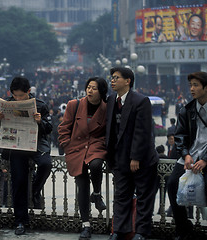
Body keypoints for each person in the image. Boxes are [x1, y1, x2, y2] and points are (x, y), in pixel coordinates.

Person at [106, 67, 159, 240]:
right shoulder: (112, 99)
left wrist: (135, 157)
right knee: (121, 195)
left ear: (128, 81)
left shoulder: (141, 101)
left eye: (116, 78)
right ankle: (119, 230)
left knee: (144, 196)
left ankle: (141, 232)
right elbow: (112, 131)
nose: (112, 81)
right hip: (120, 158)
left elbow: (142, 132)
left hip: (141, 159)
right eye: (111, 78)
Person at [0, 76, 52, 235]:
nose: (18, 99)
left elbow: (49, 129)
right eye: (15, 96)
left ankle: (34, 190)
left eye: (21, 96)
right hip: (16, 145)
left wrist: (40, 122)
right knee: (18, 181)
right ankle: (20, 220)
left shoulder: (40, 105)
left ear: (29, 92)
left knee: (45, 164)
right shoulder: (6, 104)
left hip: (36, 143)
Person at [58, 77, 108, 240]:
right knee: (82, 185)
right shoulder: (75, 104)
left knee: (96, 165)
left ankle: (98, 193)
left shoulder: (106, 108)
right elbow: (64, 127)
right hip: (77, 149)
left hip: (95, 146)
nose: (90, 90)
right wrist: (66, 144)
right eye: (88, 87)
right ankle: (85, 224)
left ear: (101, 91)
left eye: (94, 88)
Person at [167, 72, 207, 240]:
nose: (192, 89)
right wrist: (186, 154)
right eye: (190, 85)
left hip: (205, 158)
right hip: (189, 156)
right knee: (172, 185)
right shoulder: (187, 109)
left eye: (196, 85)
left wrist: (205, 160)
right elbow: (180, 135)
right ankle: (183, 228)